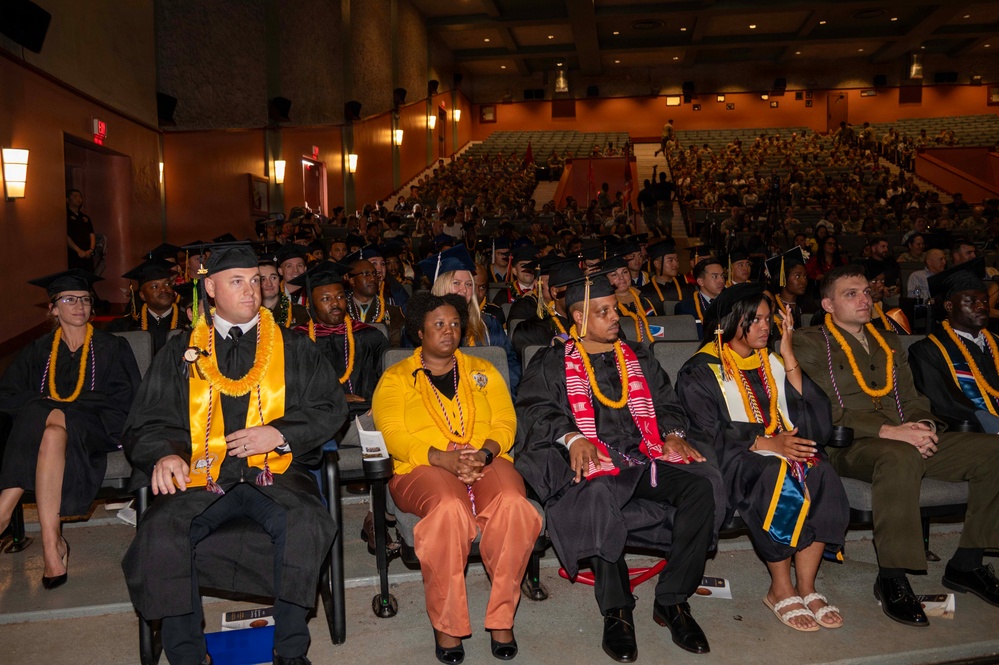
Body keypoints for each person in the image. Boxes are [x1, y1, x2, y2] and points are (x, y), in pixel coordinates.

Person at [121, 244, 347, 665]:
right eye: (237, 281)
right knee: (160, 529)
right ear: (210, 287)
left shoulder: (292, 347)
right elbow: (147, 420)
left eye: (256, 280)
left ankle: (290, 651)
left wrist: (279, 433)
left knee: (306, 521)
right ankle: (187, 656)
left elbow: (329, 407)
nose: (251, 289)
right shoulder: (181, 352)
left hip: (275, 476)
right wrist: (165, 454)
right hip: (202, 476)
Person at [515, 273, 724, 663]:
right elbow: (535, 410)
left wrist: (674, 433)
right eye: (604, 311)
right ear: (578, 318)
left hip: (641, 456)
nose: (616, 317)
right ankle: (617, 611)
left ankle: (673, 601)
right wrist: (573, 438)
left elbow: (665, 401)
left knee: (702, 484)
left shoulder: (638, 357)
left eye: (616, 309)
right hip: (590, 458)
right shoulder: (552, 361)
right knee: (596, 491)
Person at [793, 265, 999, 627]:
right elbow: (824, 408)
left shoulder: (888, 341)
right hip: (850, 445)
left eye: (866, 292)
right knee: (899, 454)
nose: (864, 299)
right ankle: (891, 576)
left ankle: (967, 562)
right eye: (851, 293)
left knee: (992, 451)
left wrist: (922, 425)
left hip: (904, 437)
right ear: (827, 304)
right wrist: (890, 430)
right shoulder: (808, 342)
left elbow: (913, 397)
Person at [372, 291, 542, 664]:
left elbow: (505, 421)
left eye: (454, 324)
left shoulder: (484, 370)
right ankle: (447, 624)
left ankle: (501, 617)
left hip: (484, 457)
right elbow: (393, 434)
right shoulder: (396, 377)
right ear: (419, 332)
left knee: (515, 504)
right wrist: (443, 459)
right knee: (449, 510)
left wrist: (483, 453)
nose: (448, 331)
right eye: (438, 324)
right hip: (422, 466)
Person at [677, 284, 849, 631]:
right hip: (734, 458)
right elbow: (706, 431)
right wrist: (766, 444)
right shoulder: (701, 369)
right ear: (727, 323)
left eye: (768, 319)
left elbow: (812, 418)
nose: (764, 327)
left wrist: (788, 358)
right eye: (753, 320)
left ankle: (807, 586)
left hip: (777, 446)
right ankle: (779, 588)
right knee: (775, 474)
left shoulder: (770, 360)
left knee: (819, 467)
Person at [0, 269, 140, 588]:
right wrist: (48, 403)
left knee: (42, 410)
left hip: (100, 425)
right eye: (68, 299)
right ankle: (53, 546)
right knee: (49, 428)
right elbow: (6, 394)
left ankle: (4, 507)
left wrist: (52, 405)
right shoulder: (38, 351)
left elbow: (128, 400)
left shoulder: (112, 347)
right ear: (53, 308)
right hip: (55, 432)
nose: (79, 305)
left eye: (85, 299)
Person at [910, 259, 999, 433]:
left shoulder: (996, 342)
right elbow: (944, 403)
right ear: (949, 306)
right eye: (972, 301)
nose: (982, 306)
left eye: (985, 300)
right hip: (973, 434)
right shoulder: (928, 351)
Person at [291, 261, 388, 419]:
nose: (335, 303)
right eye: (325, 299)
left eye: (340, 296)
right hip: (316, 417)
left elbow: (387, 381)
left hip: (364, 414)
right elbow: (291, 390)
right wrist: (333, 399)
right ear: (312, 304)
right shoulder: (297, 341)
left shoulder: (369, 336)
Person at [424, 246, 521, 394]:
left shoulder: (489, 324)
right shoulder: (422, 327)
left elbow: (510, 368)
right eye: (456, 283)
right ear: (441, 285)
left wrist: (504, 399)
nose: (464, 289)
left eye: (469, 284)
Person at [107, 259, 186, 353]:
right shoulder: (125, 326)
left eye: (167, 284)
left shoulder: (187, 322)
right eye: (155, 286)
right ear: (142, 295)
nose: (163, 289)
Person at [346, 256, 405, 346]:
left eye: (374, 274)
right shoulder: (341, 311)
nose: (373, 278)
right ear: (352, 280)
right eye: (366, 274)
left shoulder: (394, 312)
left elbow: (395, 350)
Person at [605, 254, 657, 343]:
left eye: (625, 272)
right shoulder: (604, 305)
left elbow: (658, 326)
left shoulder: (644, 299)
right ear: (606, 280)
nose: (621, 278)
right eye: (614, 275)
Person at [675, 257, 726, 339]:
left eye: (722, 276)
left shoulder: (731, 302)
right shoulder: (685, 308)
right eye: (715, 276)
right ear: (700, 281)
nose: (721, 280)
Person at [641, 240, 692, 316]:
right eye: (670, 260)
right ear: (657, 264)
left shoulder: (687, 288)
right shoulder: (644, 292)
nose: (676, 264)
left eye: (677, 260)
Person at [260, 259, 310, 329]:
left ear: (279, 280)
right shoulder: (248, 316)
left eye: (273, 278)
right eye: (262, 279)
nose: (269, 284)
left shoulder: (300, 313)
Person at [864, 259, 910, 335]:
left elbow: (905, 342)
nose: (881, 286)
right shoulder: (852, 316)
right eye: (874, 281)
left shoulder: (894, 315)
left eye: (882, 281)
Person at [66, 189, 96, 271]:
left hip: (87, 255)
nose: (78, 199)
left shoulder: (85, 217)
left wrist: (91, 250)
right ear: (67, 200)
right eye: (75, 196)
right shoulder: (65, 216)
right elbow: (65, 236)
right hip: (73, 256)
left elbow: (92, 234)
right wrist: (78, 250)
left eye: (80, 197)